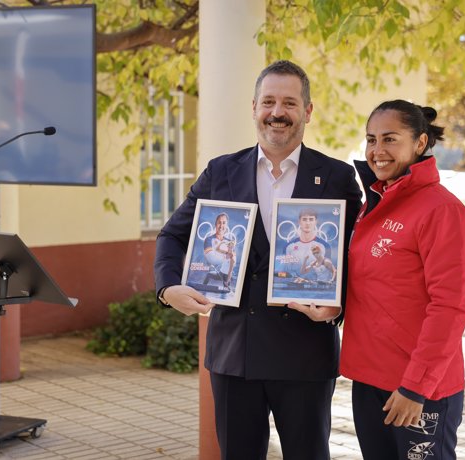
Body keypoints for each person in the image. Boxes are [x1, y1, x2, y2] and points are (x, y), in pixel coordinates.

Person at [154, 60, 362, 459]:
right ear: (254, 107)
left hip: (305, 353)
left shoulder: (336, 177)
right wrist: (167, 288)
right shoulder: (221, 171)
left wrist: (339, 307)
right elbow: (172, 235)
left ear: (308, 111)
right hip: (235, 353)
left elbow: (355, 256)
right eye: (268, 101)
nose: (277, 112)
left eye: (289, 102)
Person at [339, 100, 465, 460]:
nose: (377, 151)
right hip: (370, 380)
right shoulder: (374, 204)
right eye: (371, 140)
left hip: (418, 388)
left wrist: (415, 388)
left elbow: (450, 308)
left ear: (419, 143)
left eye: (390, 139)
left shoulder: (444, 212)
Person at [283, 208, 332, 283]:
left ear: (316, 222)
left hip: (316, 291)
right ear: (299, 221)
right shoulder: (289, 246)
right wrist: (294, 280)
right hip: (293, 289)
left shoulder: (324, 246)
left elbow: (326, 275)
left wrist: (308, 282)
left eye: (311, 219)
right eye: (304, 219)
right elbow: (285, 272)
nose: (308, 223)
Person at [202, 213, 237, 290]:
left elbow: (231, 269)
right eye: (219, 223)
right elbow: (212, 259)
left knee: (227, 283)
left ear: (227, 225)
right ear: (215, 224)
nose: (221, 226)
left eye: (224, 223)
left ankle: (227, 287)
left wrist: (228, 279)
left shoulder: (229, 245)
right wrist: (221, 243)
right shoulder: (209, 240)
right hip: (220, 273)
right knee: (209, 275)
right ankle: (203, 287)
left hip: (226, 275)